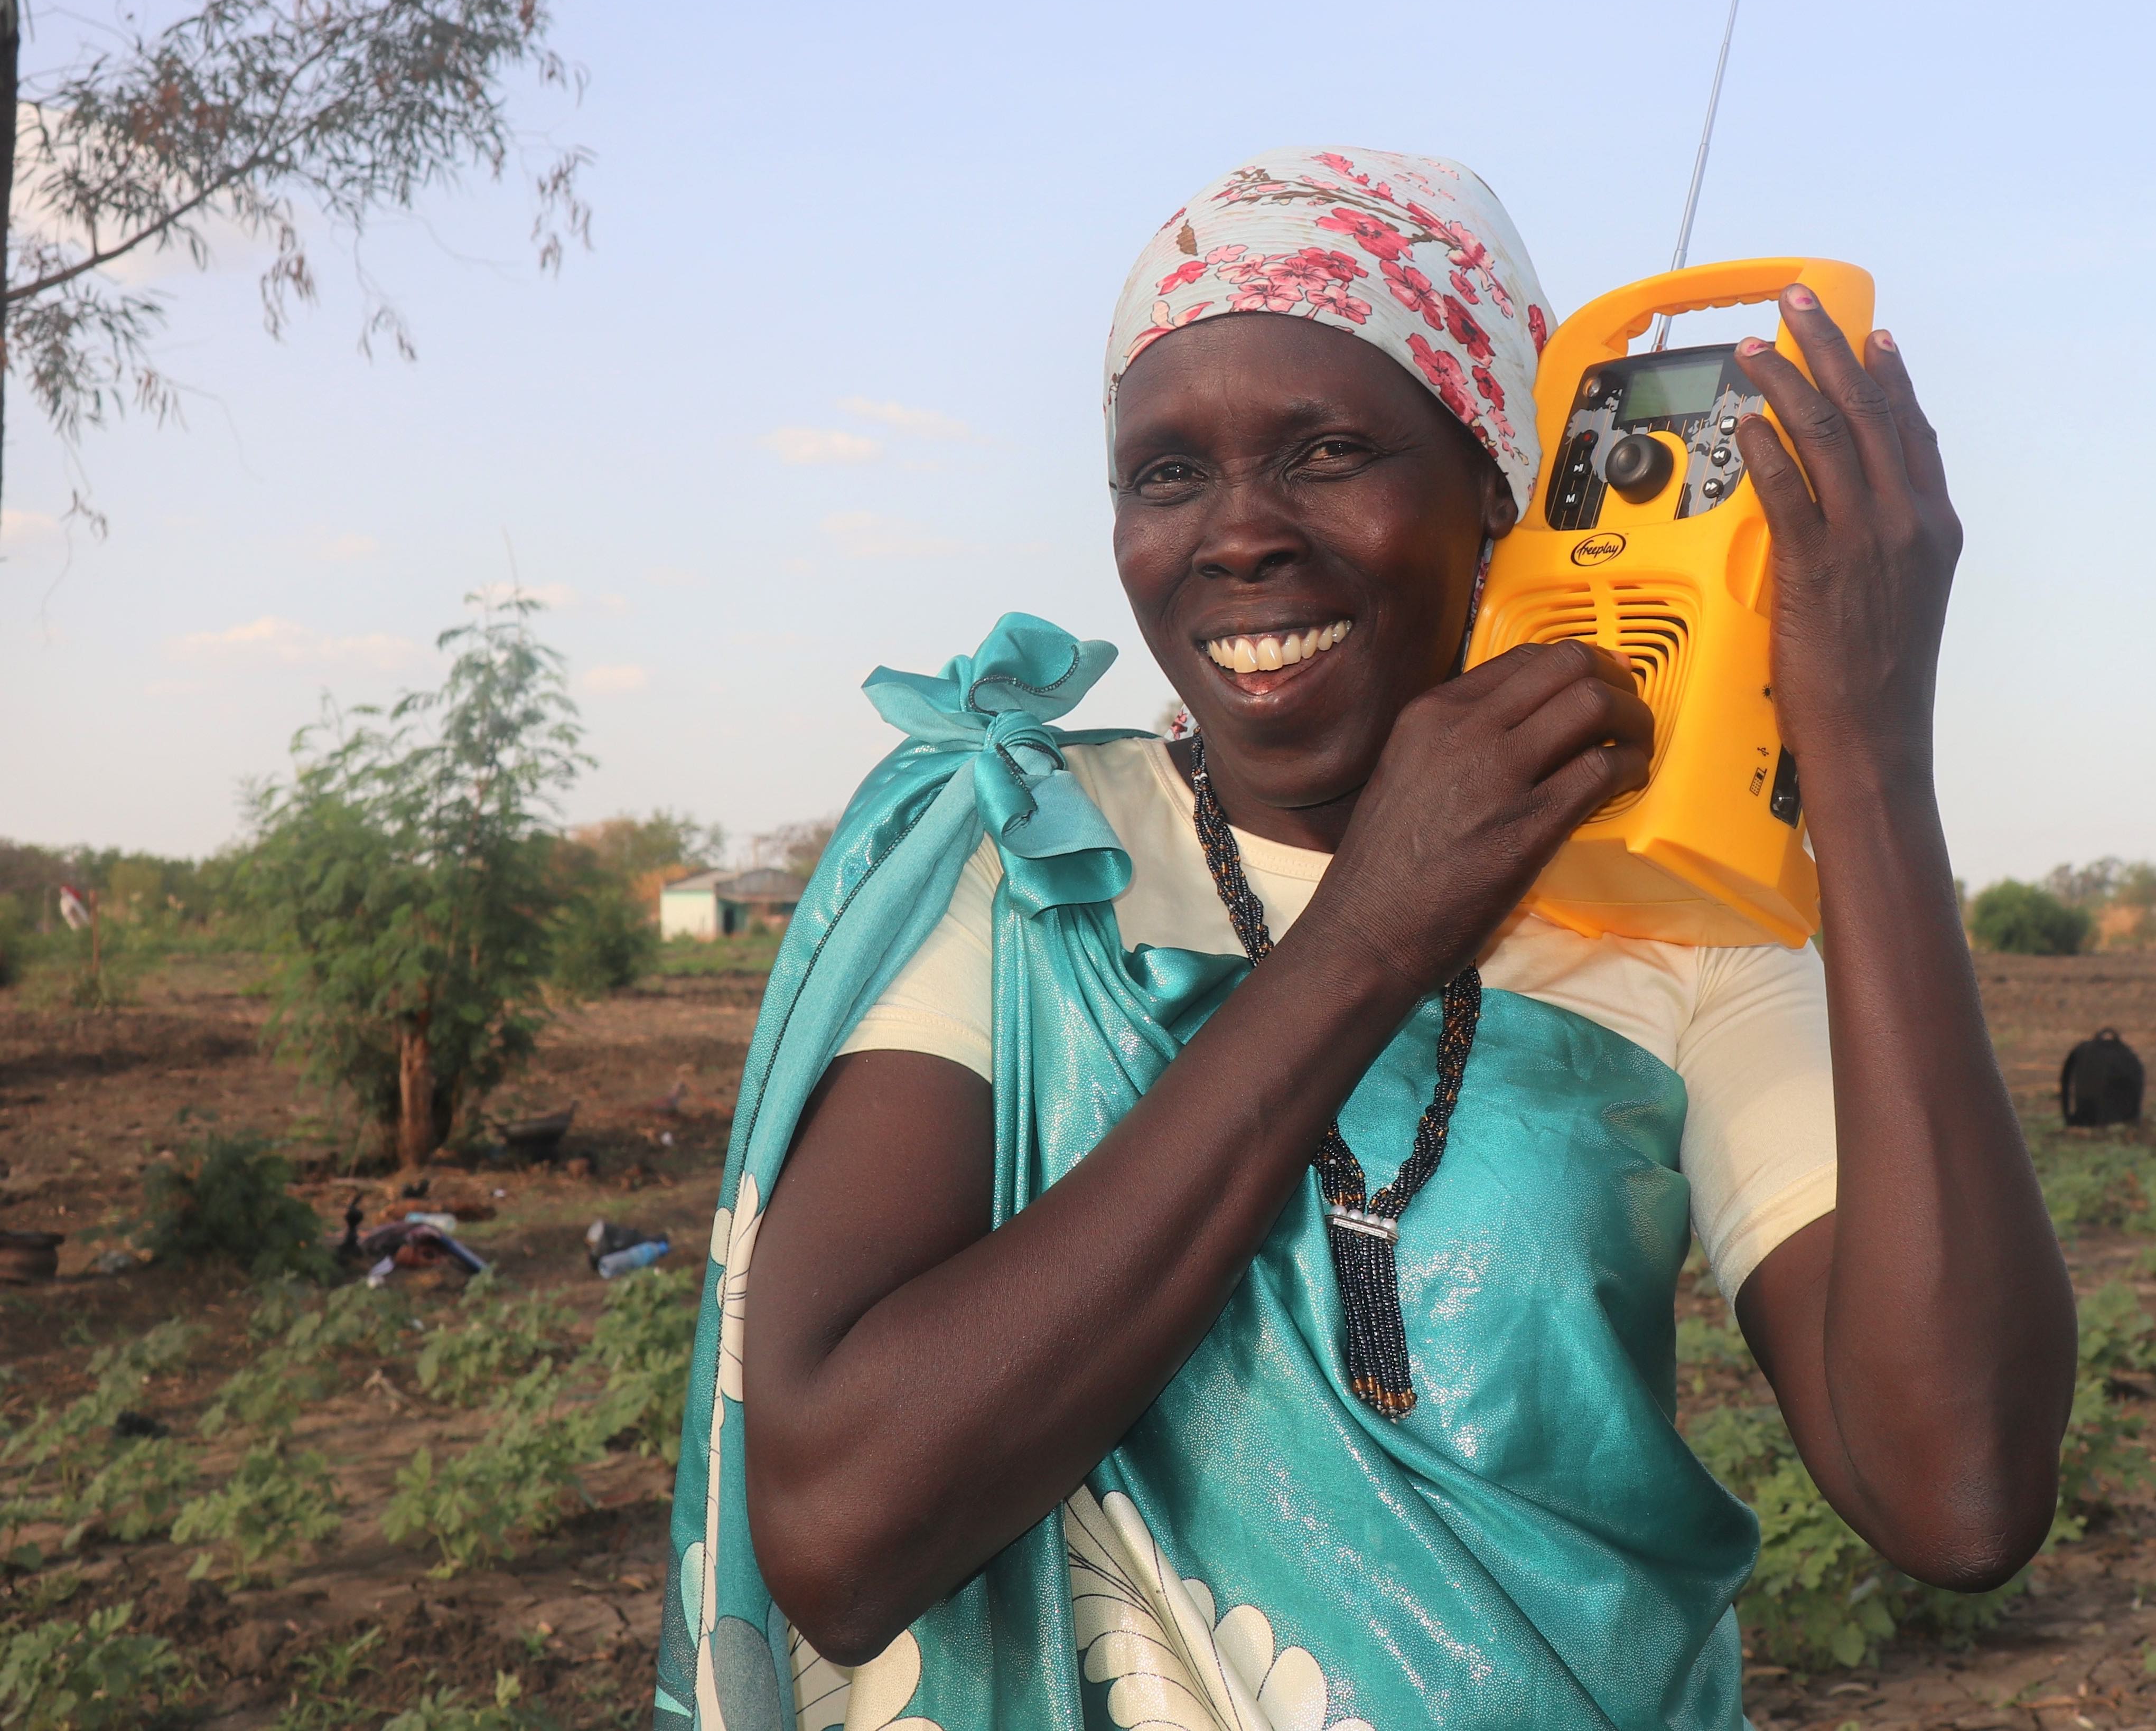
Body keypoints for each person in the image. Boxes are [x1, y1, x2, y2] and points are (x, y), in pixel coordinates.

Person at [651, 147, 2075, 1731]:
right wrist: (1370, 933)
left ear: (1500, 487)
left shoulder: (1673, 915)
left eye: (1328, 449)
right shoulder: (1026, 859)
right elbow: (842, 1531)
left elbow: (1957, 1491)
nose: (1239, 532)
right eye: (1166, 472)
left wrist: (1865, 770)